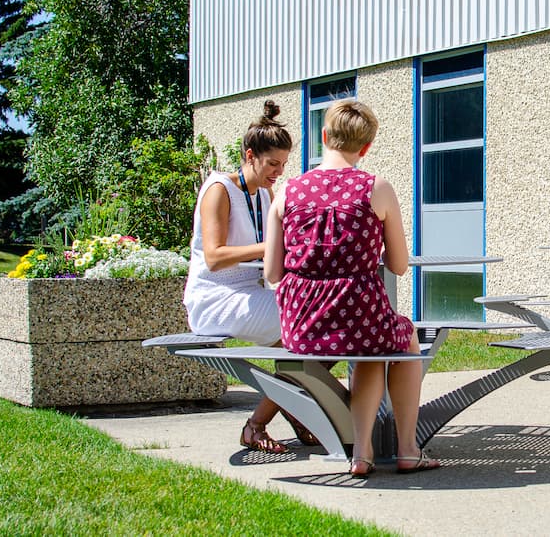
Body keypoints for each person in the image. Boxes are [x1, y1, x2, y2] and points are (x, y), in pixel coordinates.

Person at [263, 99, 441, 477]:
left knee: (371, 343)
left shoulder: (288, 191)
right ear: (366, 147)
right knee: (398, 336)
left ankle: (363, 453)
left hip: (302, 326)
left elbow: (272, 273)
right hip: (362, 316)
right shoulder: (376, 188)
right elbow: (398, 265)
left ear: (324, 137)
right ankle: (405, 447)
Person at [184, 100, 315, 454]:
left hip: (250, 294)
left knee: (305, 339)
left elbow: (278, 248)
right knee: (305, 332)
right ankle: (278, 416)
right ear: (249, 155)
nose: (279, 172)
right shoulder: (218, 190)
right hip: (215, 298)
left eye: (284, 165)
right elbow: (214, 258)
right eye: (273, 164)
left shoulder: (264, 193)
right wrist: (270, 245)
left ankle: (275, 417)